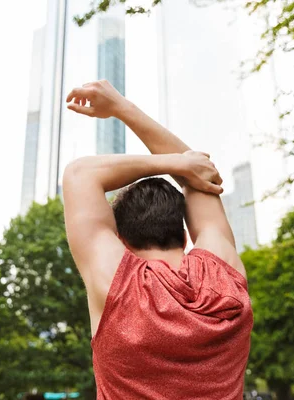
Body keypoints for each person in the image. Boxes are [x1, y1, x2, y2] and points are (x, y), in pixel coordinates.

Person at [62, 80, 253, 399]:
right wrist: (123, 108)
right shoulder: (225, 277)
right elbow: (199, 178)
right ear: (183, 232)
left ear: (120, 239)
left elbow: (80, 174)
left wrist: (177, 165)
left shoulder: (116, 284)